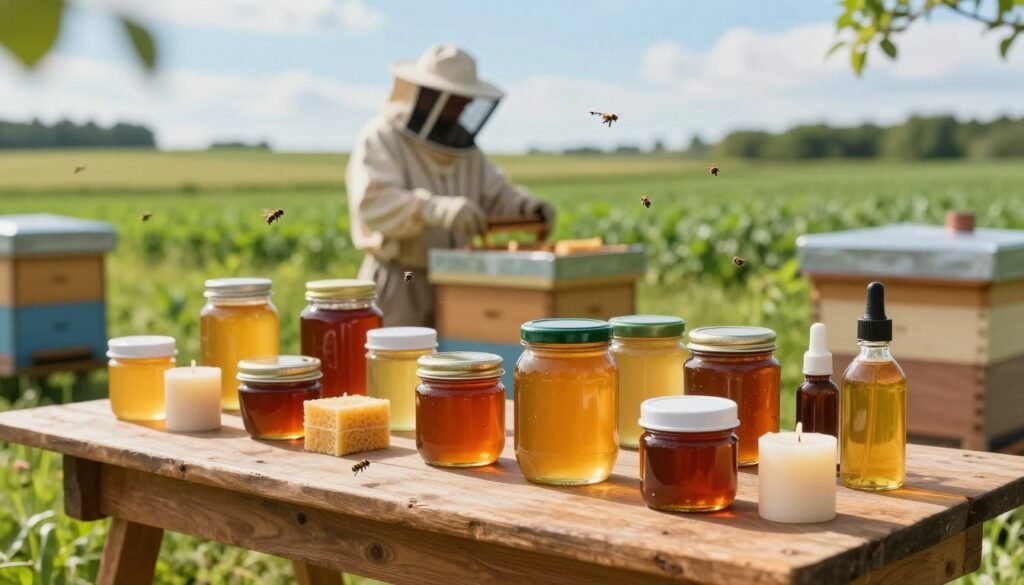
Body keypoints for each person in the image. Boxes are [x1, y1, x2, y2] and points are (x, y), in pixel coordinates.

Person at [347, 44, 556, 327]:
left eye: (468, 99)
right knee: (397, 368)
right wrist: (432, 209)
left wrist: (526, 207)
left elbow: (495, 194)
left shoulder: (465, 149)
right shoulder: (382, 137)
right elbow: (373, 204)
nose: (466, 107)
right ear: (431, 95)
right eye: (459, 98)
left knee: (455, 368)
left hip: (459, 280)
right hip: (401, 281)